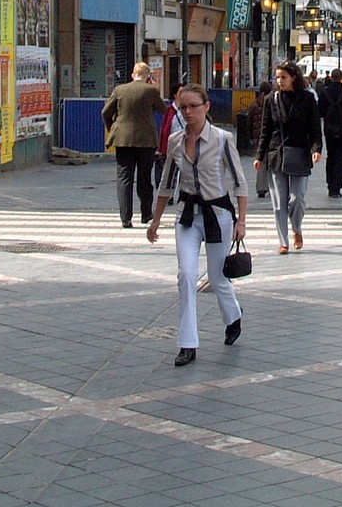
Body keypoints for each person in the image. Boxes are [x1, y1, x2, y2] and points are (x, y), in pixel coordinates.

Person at [147, 84, 248, 368]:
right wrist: (155, 222)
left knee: (217, 279)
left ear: (206, 107)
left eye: (193, 106)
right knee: (187, 275)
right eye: (183, 107)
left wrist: (241, 221)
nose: (188, 112)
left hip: (218, 214)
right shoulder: (176, 141)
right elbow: (166, 184)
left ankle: (233, 316)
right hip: (188, 216)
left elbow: (240, 183)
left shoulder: (222, 139)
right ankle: (187, 344)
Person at [254, 61, 322, 253]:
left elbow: (314, 127)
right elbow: (265, 130)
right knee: (278, 202)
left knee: (297, 198)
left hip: (300, 152)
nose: (280, 81)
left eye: (283, 77)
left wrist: (316, 148)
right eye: (277, 77)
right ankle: (283, 241)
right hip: (277, 153)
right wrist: (260, 155)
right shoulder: (271, 99)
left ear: (293, 77)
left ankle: (297, 228)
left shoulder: (307, 99)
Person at [103, 62, 169, 228]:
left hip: (123, 139)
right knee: (144, 177)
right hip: (146, 140)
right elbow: (163, 109)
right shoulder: (151, 91)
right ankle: (146, 214)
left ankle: (126, 218)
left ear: (133, 74)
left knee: (124, 177)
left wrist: (112, 127)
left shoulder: (119, 90)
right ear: (148, 77)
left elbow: (105, 112)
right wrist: (155, 89)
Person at [318, 68, 342, 198]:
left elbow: (320, 111)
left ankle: (330, 184)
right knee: (341, 158)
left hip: (329, 129)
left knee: (331, 156)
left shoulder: (324, 92)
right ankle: (337, 187)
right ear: (341, 78)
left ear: (332, 77)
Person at [247, 81, 272, 198]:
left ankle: (261, 188)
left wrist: (251, 136)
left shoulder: (254, 104)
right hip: (271, 137)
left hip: (258, 137)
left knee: (261, 161)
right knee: (272, 162)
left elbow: (249, 122)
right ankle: (271, 187)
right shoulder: (272, 102)